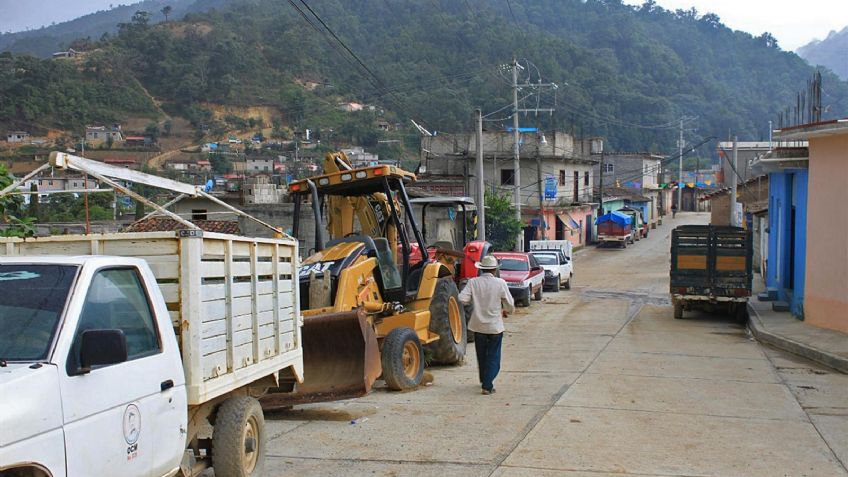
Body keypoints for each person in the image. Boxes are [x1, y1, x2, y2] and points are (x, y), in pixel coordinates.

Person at [458, 254, 515, 395]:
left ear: (482, 269)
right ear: (495, 269)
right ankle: (487, 385)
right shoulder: (500, 283)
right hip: (495, 326)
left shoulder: (473, 282)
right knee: (493, 357)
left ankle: (484, 381)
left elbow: (462, 298)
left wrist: (474, 302)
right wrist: (508, 310)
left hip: (478, 326)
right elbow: (510, 304)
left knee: (482, 356)